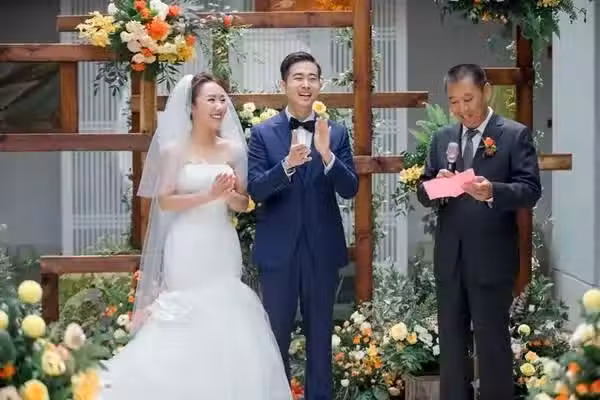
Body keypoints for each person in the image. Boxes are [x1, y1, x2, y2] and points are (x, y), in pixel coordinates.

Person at [99, 73, 292, 399]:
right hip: (187, 243)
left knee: (226, 311)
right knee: (186, 313)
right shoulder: (174, 150)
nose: (219, 106)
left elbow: (243, 203)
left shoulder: (233, 149)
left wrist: (229, 196)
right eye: (211, 100)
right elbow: (165, 201)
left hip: (221, 242)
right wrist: (207, 195)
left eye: (222, 100)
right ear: (192, 106)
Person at [416, 63, 542, 400]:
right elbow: (423, 190)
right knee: (451, 346)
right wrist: (435, 185)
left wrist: (492, 192)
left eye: (468, 99)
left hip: (492, 259)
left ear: (486, 91)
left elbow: (530, 190)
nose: (462, 109)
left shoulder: (513, 135)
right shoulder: (442, 138)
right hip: (450, 258)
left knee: (492, 345)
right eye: (454, 102)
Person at [247, 51, 359, 400]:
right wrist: (286, 165)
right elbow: (255, 189)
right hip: (278, 251)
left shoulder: (336, 132)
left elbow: (350, 188)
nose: (306, 84)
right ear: (284, 84)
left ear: (320, 84)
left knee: (320, 339)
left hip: (321, 250)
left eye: (312, 78)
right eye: (298, 77)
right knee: (276, 337)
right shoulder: (262, 133)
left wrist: (327, 155)